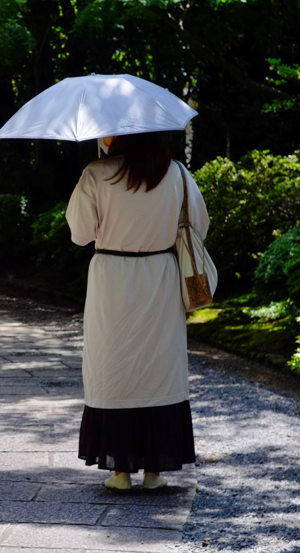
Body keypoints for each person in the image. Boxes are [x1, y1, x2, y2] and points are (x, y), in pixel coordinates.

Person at [65, 132, 209, 491]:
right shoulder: (175, 172)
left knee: (113, 365)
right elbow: (200, 225)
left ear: (118, 135)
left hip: (112, 277)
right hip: (160, 275)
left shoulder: (97, 174)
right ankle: (154, 472)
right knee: (158, 367)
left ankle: (119, 472)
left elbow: (80, 233)